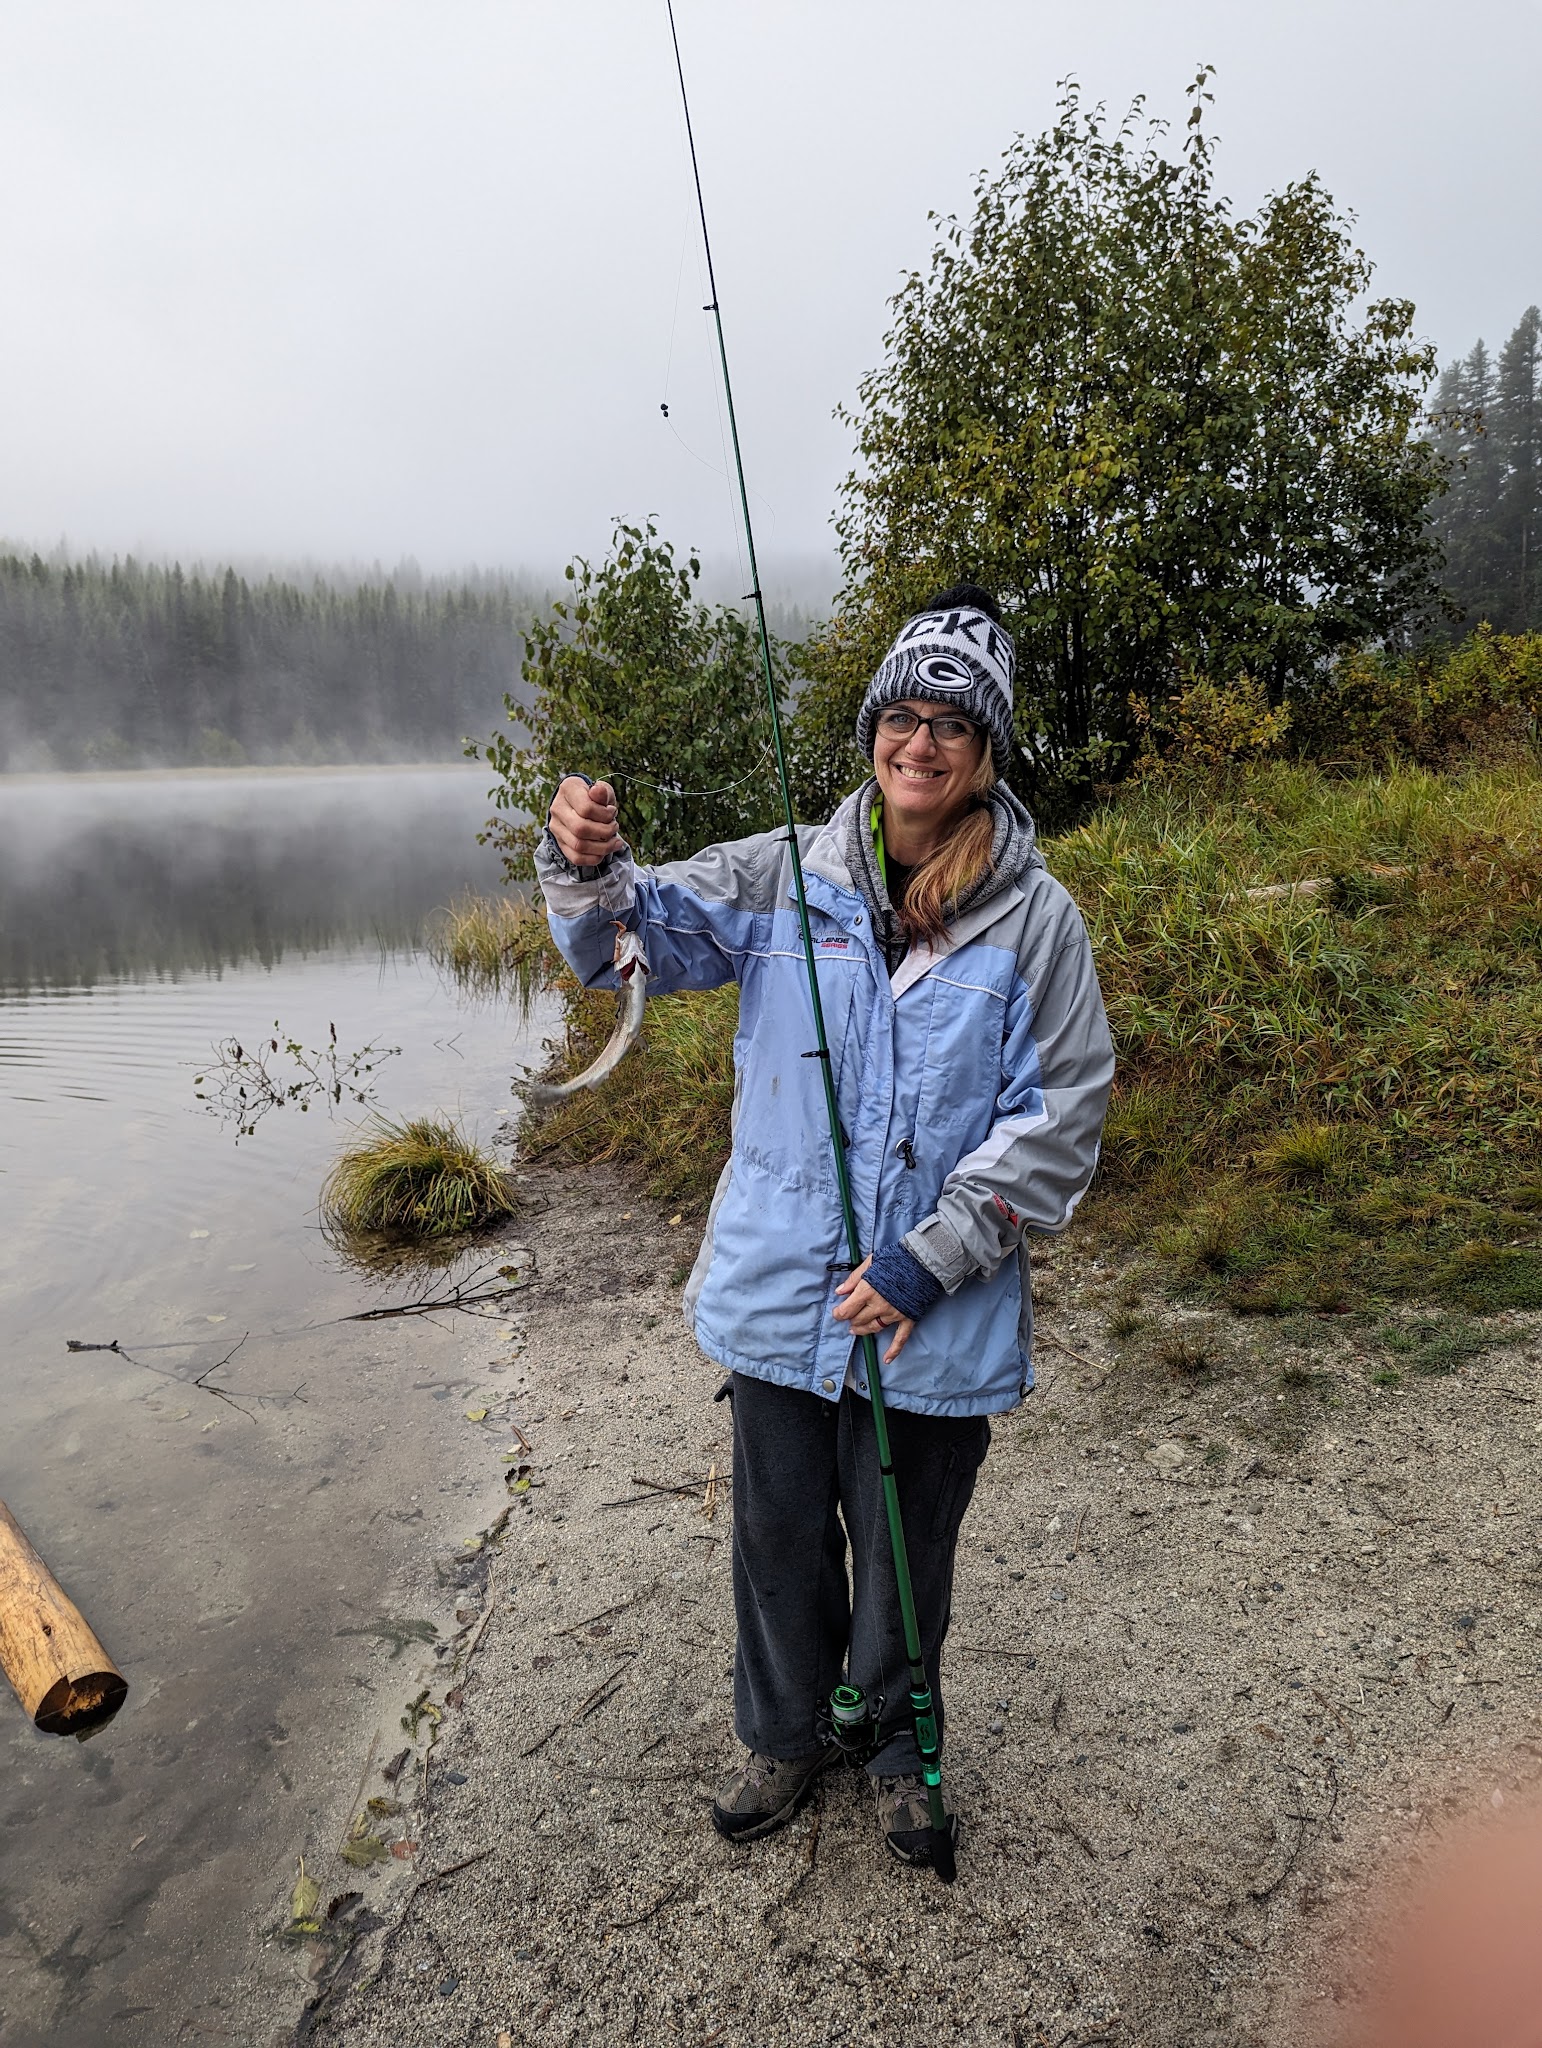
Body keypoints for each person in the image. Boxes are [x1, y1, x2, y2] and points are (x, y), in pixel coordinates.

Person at [537, 584, 1113, 1869]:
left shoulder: (1036, 922)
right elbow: (630, 936)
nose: (920, 742)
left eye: (951, 725)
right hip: (779, 1288)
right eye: (900, 715)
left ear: (986, 754)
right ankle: (789, 1733)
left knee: (907, 1552)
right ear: (871, 730)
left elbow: (1063, 1117)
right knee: (779, 1532)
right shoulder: (779, 878)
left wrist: (928, 1258)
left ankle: (904, 1751)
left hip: (932, 1311)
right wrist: (584, 865)